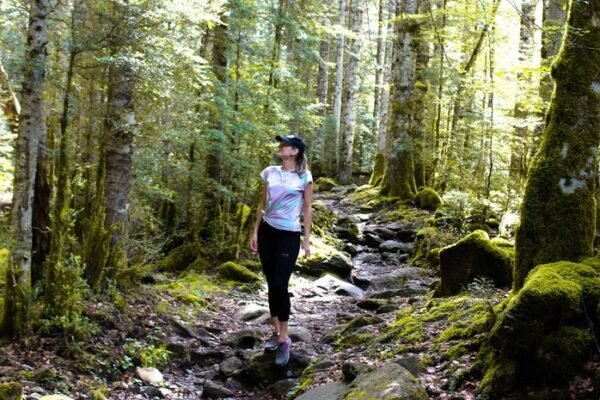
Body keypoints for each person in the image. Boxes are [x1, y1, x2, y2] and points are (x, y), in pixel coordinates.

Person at [250, 134, 313, 366]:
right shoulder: (270, 172)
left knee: (280, 283)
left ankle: (285, 339)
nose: (280, 147)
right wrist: (255, 232)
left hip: (289, 234)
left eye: (284, 145)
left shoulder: (305, 177)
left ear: (295, 151)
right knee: (270, 283)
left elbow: (307, 208)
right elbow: (262, 205)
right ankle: (276, 333)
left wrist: (306, 239)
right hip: (267, 232)